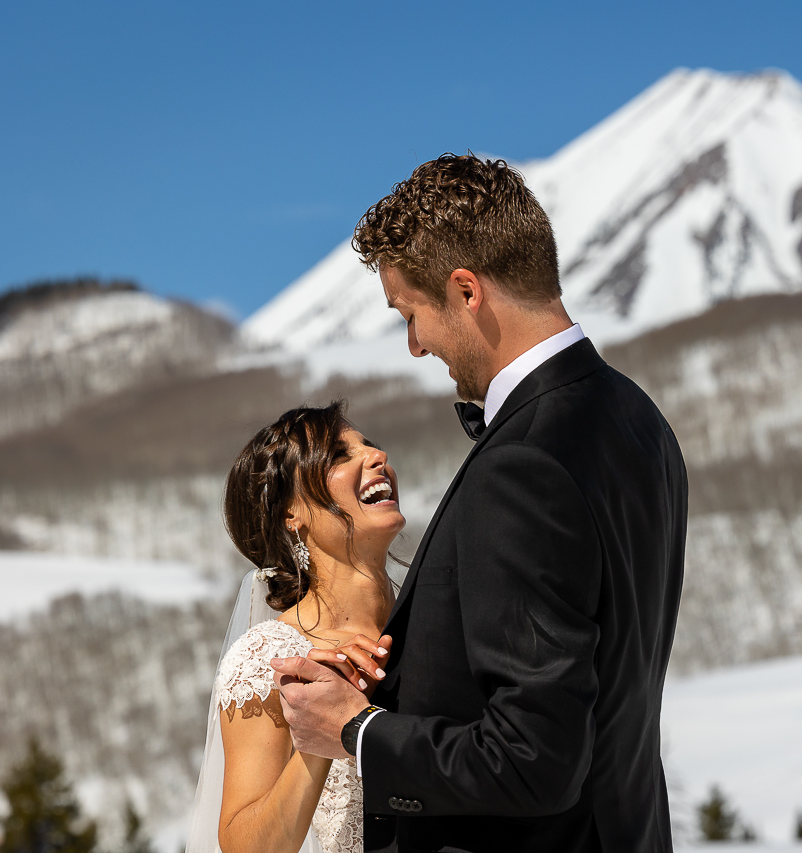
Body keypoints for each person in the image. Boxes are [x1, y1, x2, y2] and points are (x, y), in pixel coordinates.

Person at [271, 154, 688, 852]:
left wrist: (357, 728)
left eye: (411, 314)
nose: (414, 346)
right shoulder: (641, 421)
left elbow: (533, 757)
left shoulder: (523, 462)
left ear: (466, 291)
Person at [186, 402, 400, 853]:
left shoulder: (435, 615)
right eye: (340, 456)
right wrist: (324, 733)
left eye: (371, 446)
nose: (377, 457)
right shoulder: (270, 661)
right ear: (291, 514)